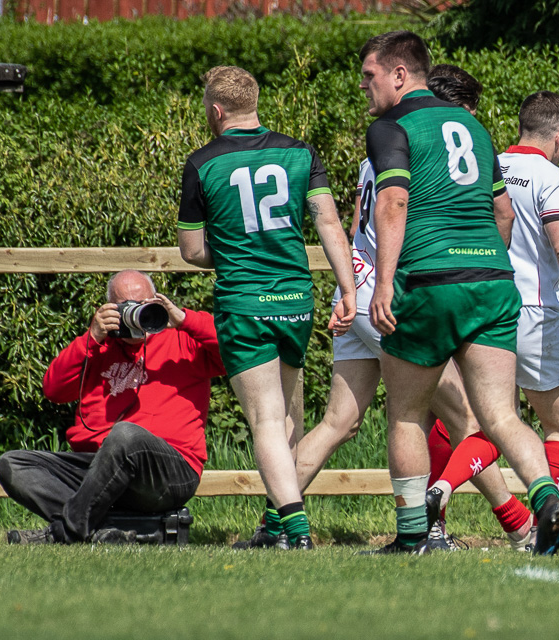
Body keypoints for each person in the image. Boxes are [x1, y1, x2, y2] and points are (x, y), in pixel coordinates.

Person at [289, 62, 536, 553]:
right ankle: (520, 527)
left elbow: (362, 223)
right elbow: (394, 214)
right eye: (464, 109)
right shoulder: (420, 144)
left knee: (340, 420)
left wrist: (349, 291)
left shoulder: (384, 145)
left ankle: (279, 519)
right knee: (466, 417)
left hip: (357, 288)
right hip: (395, 291)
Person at [357, 30, 559, 555]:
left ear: (399, 74)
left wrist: (384, 283)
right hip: (493, 285)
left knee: (406, 413)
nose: (366, 87)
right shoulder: (474, 126)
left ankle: (411, 537)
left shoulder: (390, 126)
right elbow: (502, 213)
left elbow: (393, 205)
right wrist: (485, 265)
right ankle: (548, 503)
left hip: (428, 283)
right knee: (500, 416)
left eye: (370, 76)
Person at [177, 65, 357, 550]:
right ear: (255, 102)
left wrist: (233, 247)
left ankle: (295, 528)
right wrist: (350, 292)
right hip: (297, 299)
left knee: (266, 419)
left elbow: (192, 251)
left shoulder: (201, 163)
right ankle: (277, 527)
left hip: (244, 302)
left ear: (215, 111)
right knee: (290, 417)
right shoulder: (300, 153)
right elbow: (329, 224)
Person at [425, 90, 559, 540]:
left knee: (495, 419)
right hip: (537, 313)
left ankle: (444, 485)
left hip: (485, 305)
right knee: (558, 426)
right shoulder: (553, 177)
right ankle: (553, 522)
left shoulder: (484, 161)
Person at [0, 270, 225, 544]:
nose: (135, 316)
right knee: (12, 464)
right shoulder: (97, 348)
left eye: (142, 305)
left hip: (167, 471)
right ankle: (108, 532)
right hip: (100, 470)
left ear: (156, 302)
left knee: (126, 434)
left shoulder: (185, 340)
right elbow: (54, 389)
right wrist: (91, 338)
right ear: (109, 309)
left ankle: (64, 533)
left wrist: (184, 320)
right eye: (125, 307)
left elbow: (237, 346)